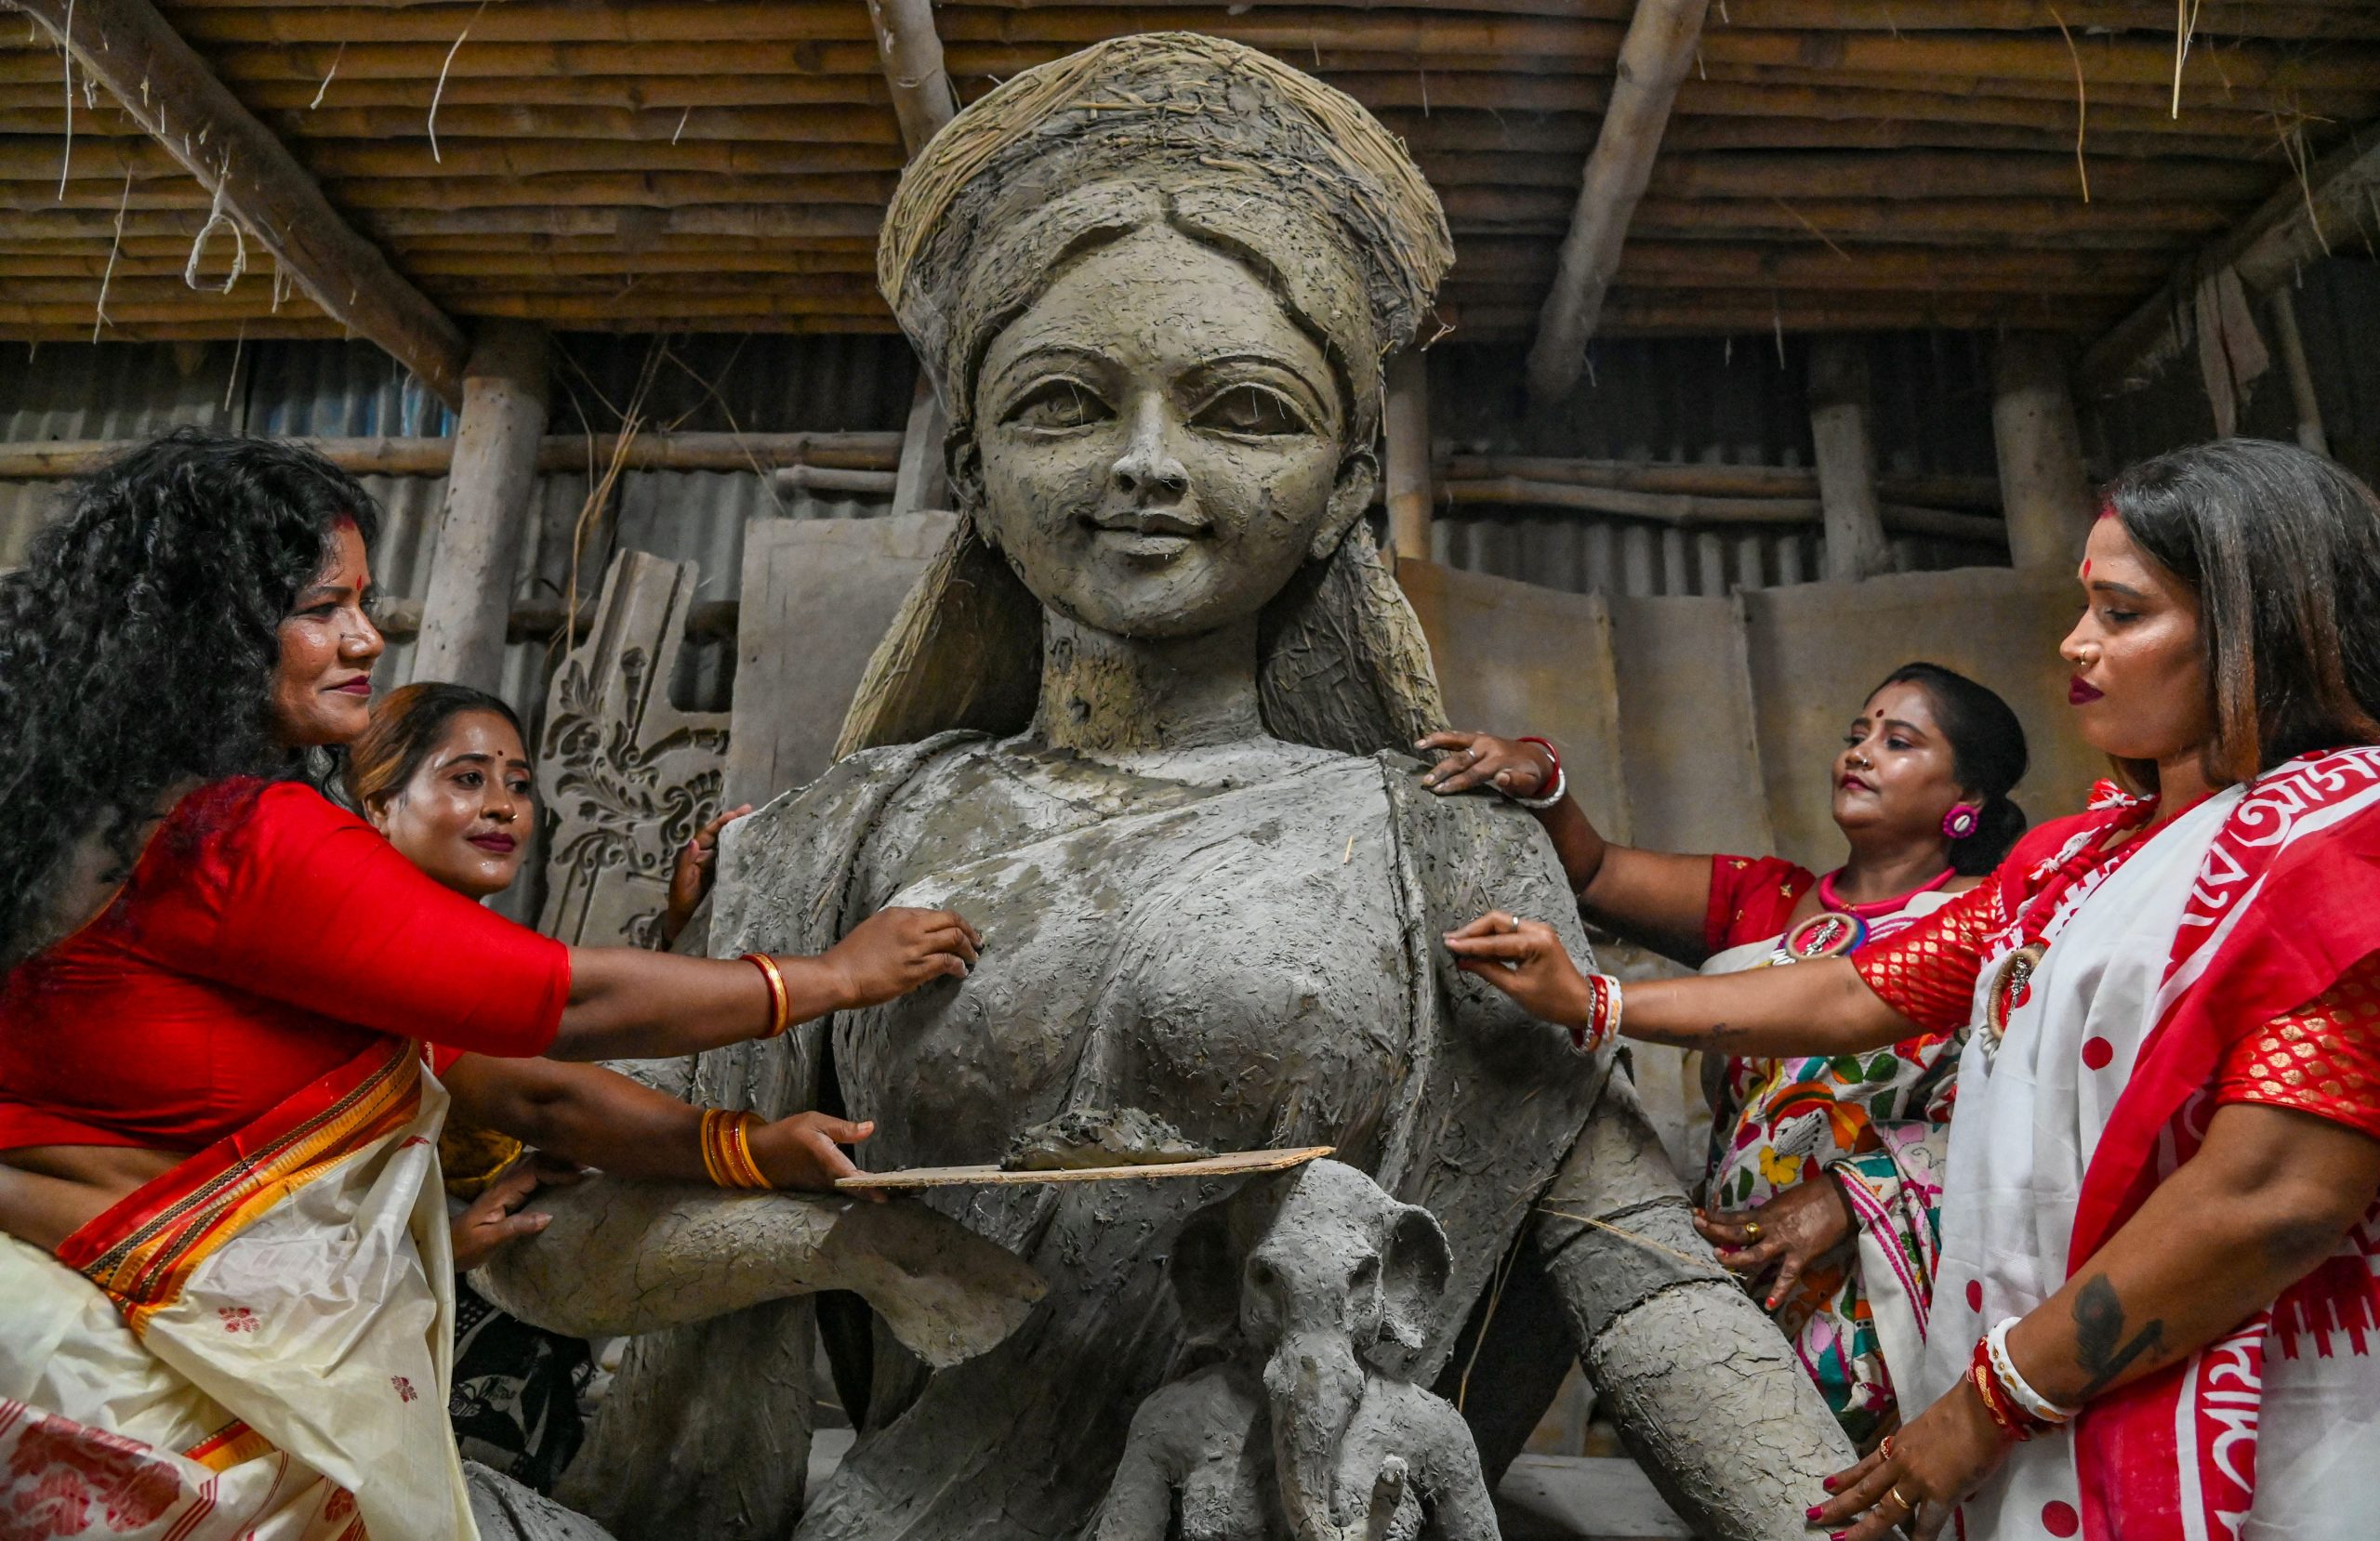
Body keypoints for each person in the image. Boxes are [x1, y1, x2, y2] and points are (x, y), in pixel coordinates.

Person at [0, 428, 979, 1541]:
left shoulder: (72, 828)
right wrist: (834, 975)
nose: (368, 636)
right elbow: (553, 1018)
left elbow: (524, 1084)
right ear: (208, 631)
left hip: (56, 1331)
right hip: (155, 1381)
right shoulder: (236, 838)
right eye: (324, 608)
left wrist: (742, 1146)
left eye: (366, 601)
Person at [1446, 438, 2380, 1541]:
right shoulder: (2080, 858)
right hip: (2042, 1390)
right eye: (2086, 606)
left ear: (2256, 625)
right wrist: (1591, 1002)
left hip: (2255, 1408)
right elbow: (1853, 995)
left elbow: (2271, 1198)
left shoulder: (2341, 843)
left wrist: (1984, 1404)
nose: (2076, 642)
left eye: (2124, 615)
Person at [1419, 663, 2030, 1447]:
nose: (1861, 753)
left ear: (1966, 802)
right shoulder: (1765, 898)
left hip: (1890, 1287)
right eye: (1857, 735)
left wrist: (1844, 1200)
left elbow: (2012, 1125)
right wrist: (1544, 778)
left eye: (1898, 741)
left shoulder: (1991, 928)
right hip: (1733, 1264)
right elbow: (1596, 870)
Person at [346, 679, 875, 1492]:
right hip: (377, 1319)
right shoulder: (382, 943)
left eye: (518, 785)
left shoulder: (460, 938)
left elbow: (574, 1060)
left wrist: (685, 931)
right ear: (379, 804)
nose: (502, 808)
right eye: (466, 779)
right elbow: (550, 1097)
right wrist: (758, 1143)